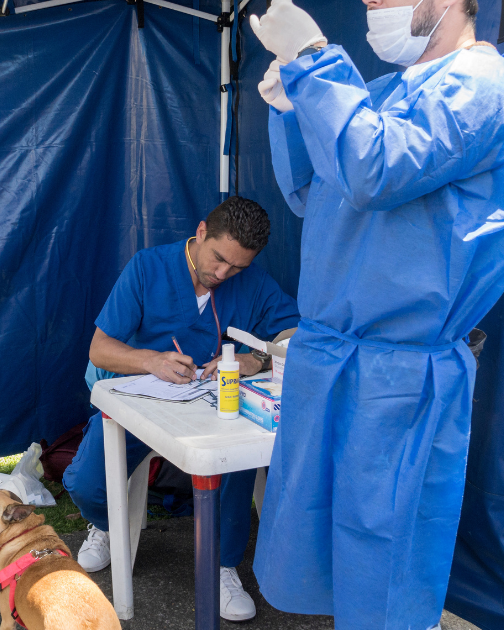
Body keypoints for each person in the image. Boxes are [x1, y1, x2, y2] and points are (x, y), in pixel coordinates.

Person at [246, 0, 504, 627]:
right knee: (324, 554)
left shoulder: (482, 87)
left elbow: (374, 171)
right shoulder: (383, 92)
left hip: (399, 377)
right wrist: (294, 112)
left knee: (383, 571)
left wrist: (313, 63)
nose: (371, 2)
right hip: (331, 361)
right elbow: (313, 192)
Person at [63, 196, 300, 622]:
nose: (223, 274)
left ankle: (223, 566)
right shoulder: (147, 268)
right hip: (141, 402)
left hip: (216, 406)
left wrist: (257, 359)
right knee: (86, 483)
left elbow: (294, 334)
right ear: (202, 232)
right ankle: (108, 522)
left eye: (237, 268)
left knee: (235, 454)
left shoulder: (253, 281)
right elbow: (100, 349)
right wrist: (151, 361)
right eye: (219, 259)